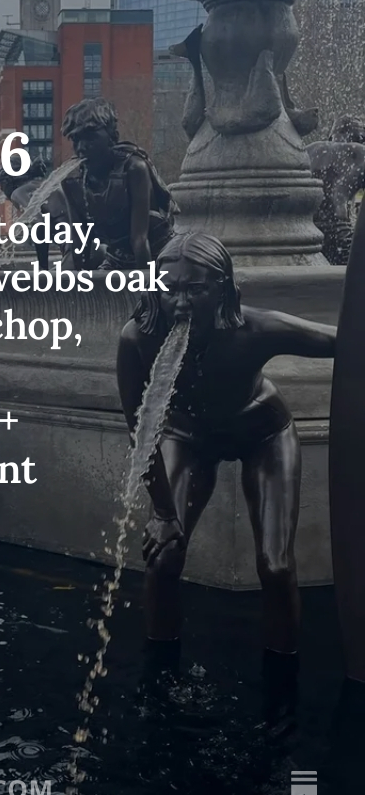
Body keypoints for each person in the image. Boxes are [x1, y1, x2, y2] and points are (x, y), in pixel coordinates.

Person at [116, 232, 336, 661]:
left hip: (262, 433)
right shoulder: (138, 338)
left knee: (276, 566)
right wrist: (163, 513)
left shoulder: (254, 329)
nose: (181, 303)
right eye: (169, 290)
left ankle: (282, 676)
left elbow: (340, 341)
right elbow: (141, 433)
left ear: (222, 289)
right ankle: (158, 675)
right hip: (188, 436)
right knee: (162, 557)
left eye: (195, 290)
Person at [57, 97, 177, 270]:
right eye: (76, 140)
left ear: (113, 137)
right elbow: (79, 243)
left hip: (159, 255)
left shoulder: (133, 168)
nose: (82, 147)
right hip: (117, 258)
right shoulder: (72, 181)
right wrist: (77, 282)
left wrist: (145, 282)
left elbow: (139, 239)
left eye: (90, 138)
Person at [307, 114, 365, 264]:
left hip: (307, 231)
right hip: (339, 231)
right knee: (348, 274)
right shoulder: (360, 152)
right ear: (360, 137)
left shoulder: (309, 150)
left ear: (331, 135)